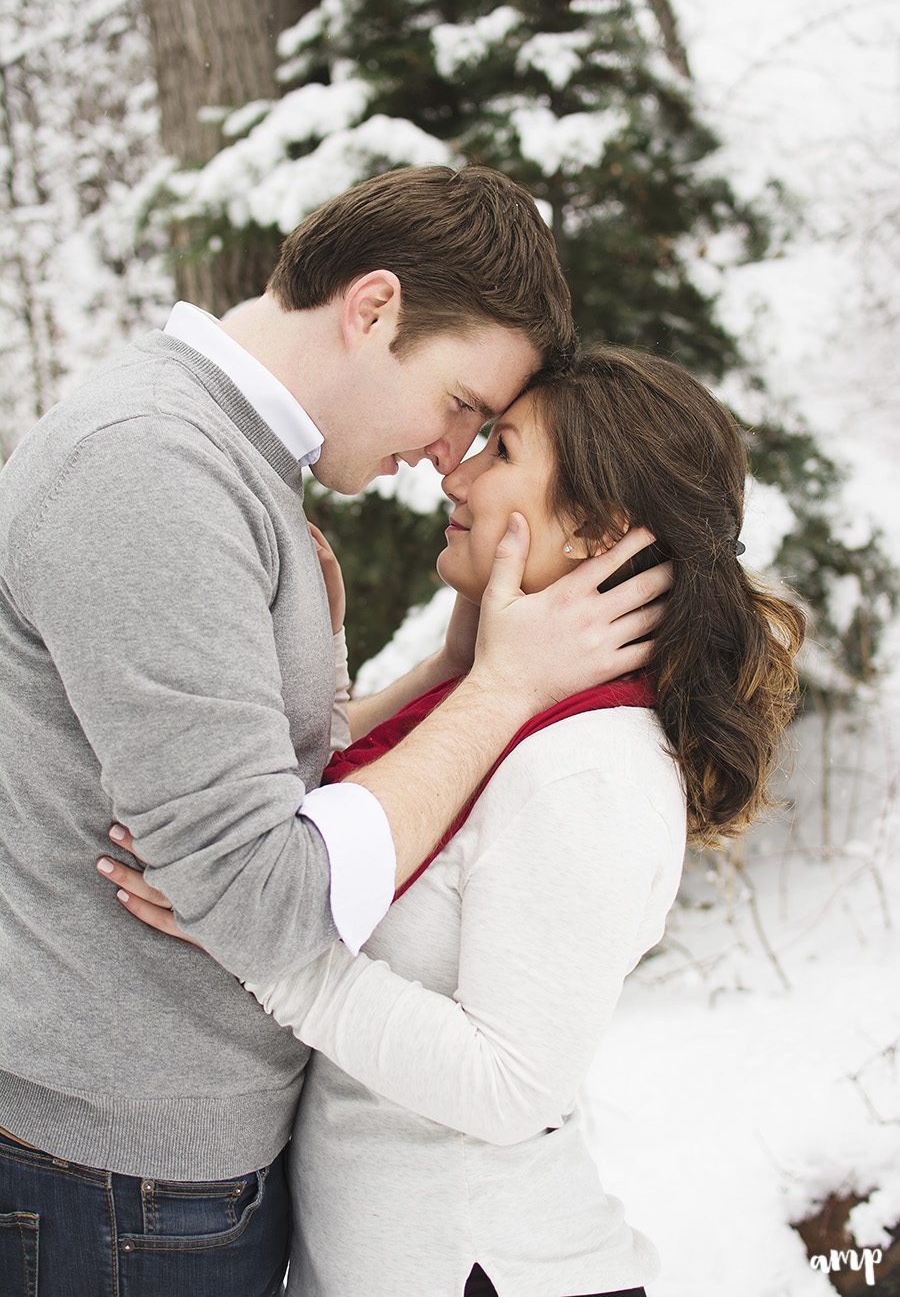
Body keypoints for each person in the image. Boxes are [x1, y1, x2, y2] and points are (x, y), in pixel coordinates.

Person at [0, 166, 668, 1297]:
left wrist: (445, 671)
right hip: (116, 1171)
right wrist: (495, 690)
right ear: (373, 309)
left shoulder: (230, 468)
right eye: (465, 406)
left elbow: (266, 780)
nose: (450, 455)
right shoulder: (154, 467)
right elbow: (263, 900)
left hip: (167, 1163)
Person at [101, 346, 806, 1296]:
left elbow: (512, 1085)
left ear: (597, 529)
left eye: (503, 448)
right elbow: (341, 823)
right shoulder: (504, 712)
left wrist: (266, 943)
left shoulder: (590, 768)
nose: (457, 469)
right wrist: (412, 677)